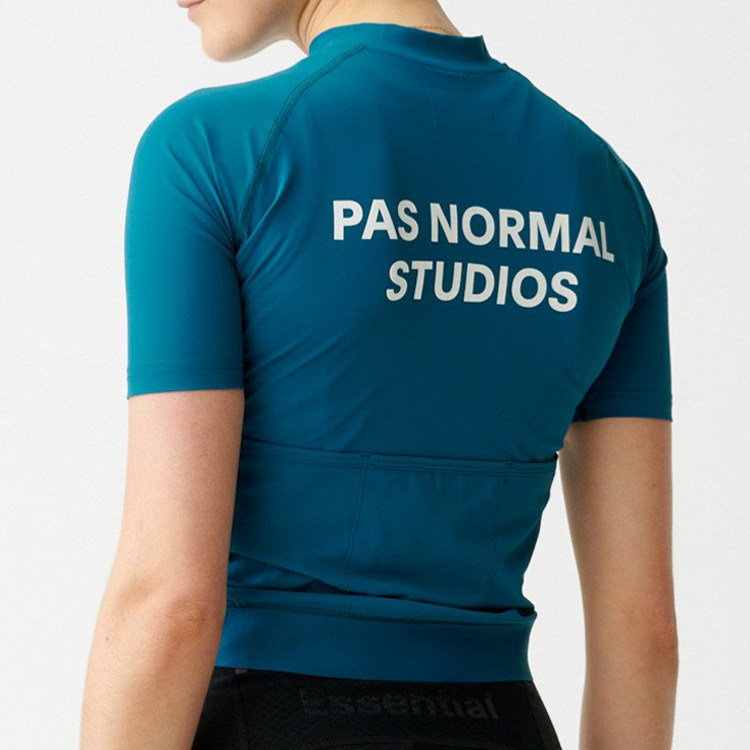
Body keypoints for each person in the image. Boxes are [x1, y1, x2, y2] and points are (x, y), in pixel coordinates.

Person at [79, 0, 679, 748]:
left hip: (271, 716)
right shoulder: (607, 189)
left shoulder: (212, 148)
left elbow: (170, 604)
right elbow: (643, 629)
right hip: (504, 723)